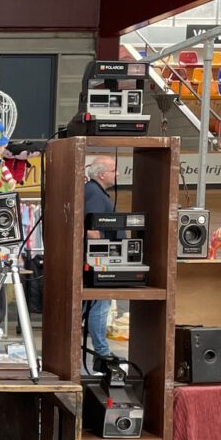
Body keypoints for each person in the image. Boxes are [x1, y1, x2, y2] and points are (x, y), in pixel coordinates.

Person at [83, 155, 119, 373]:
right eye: (114, 170)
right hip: (97, 259)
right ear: (102, 174)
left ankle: (101, 351)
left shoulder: (94, 192)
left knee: (95, 305)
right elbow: (91, 227)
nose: (118, 174)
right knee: (100, 304)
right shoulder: (95, 194)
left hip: (97, 258)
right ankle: (102, 352)